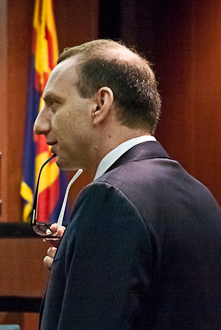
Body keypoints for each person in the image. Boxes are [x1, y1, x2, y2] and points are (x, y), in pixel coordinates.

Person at [33, 39, 221, 330]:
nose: (39, 125)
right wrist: (78, 261)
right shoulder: (200, 195)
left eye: (54, 105)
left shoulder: (109, 197)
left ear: (100, 104)